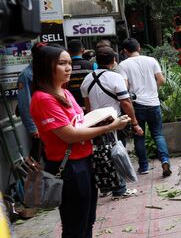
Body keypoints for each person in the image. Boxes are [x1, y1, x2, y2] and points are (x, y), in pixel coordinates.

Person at [30, 45, 129, 237]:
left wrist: (102, 120)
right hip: (68, 167)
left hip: (84, 161)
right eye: (61, 63)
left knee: (88, 220)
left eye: (68, 63)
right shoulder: (43, 99)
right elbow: (69, 134)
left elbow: (81, 122)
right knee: (75, 225)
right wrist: (110, 127)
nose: (68, 68)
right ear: (45, 66)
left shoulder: (64, 93)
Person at [81, 47, 143, 198]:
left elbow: (87, 106)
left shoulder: (87, 79)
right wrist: (134, 123)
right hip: (114, 122)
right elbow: (126, 103)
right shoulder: (115, 78)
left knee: (101, 155)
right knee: (116, 153)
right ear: (113, 61)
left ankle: (105, 188)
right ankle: (119, 188)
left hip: (94, 124)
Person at [117, 38, 171, 177]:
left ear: (125, 51)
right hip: (154, 103)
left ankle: (143, 166)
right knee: (158, 134)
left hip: (137, 106)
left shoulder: (123, 65)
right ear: (139, 47)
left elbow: (124, 86)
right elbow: (161, 80)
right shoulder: (151, 60)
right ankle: (165, 160)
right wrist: (153, 89)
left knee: (139, 137)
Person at [16, 43, 46, 160]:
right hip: (38, 123)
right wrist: (33, 127)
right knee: (36, 156)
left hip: (49, 121)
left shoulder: (46, 71)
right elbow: (24, 104)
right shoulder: (27, 75)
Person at [67, 39, 95, 112]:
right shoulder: (93, 66)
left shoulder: (65, 67)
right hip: (89, 103)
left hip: (71, 104)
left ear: (68, 51)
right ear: (83, 50)